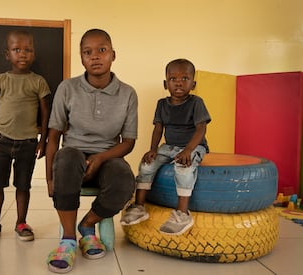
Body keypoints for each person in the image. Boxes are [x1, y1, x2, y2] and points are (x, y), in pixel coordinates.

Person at [45, 29, 137, 273]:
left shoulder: (127, 93)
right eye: (88, 52)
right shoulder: (68, 88)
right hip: (73, 159)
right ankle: (67, 240)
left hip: (108, 157)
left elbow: (128, 142)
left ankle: (87, 225)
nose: (95, 56)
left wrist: (100, 158)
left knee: (125, 179)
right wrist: (49, 178)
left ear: (113, 55)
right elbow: (53, 135)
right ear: (81, 58)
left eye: (102, 50)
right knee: (67, 157)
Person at [0, 30, 51, 242]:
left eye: (28, 50)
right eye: (17, 50)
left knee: (23, 185)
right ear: (7, 54)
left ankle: (21, 222)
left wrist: (43, 141)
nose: (23, 54)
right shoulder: (0, 80)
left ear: (33, 54)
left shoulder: (39, 82)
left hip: (27, 142)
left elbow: (45, 114)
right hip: (1, 141)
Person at [120, 58, 211, 236]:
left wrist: (188, 150)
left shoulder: (196, 103)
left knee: (183, 169)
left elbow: (201, 128)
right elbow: (158, 128)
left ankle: (182, 214)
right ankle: (139, 207)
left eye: (185, 78)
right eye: (173, 79)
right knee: (146, 165)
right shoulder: (162, 104)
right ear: (165, 83)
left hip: (193, 146)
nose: (178, 82)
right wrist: (153, 149)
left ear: (193, 84)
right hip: (168, 147)